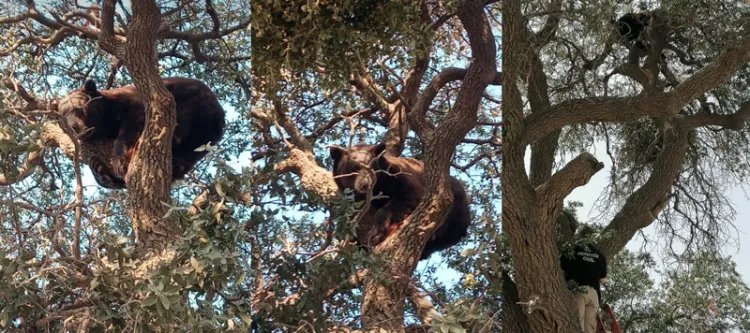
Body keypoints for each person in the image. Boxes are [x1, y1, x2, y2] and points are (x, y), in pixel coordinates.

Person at [560, 225, 608, 333]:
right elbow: (602, 280)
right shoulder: (600, 256)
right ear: (592, 237)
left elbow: (558, 269)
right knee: (588, 330)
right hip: (593, 295)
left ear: (579, 235)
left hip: (578, 291)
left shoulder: (571, 249)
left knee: (576, 327)